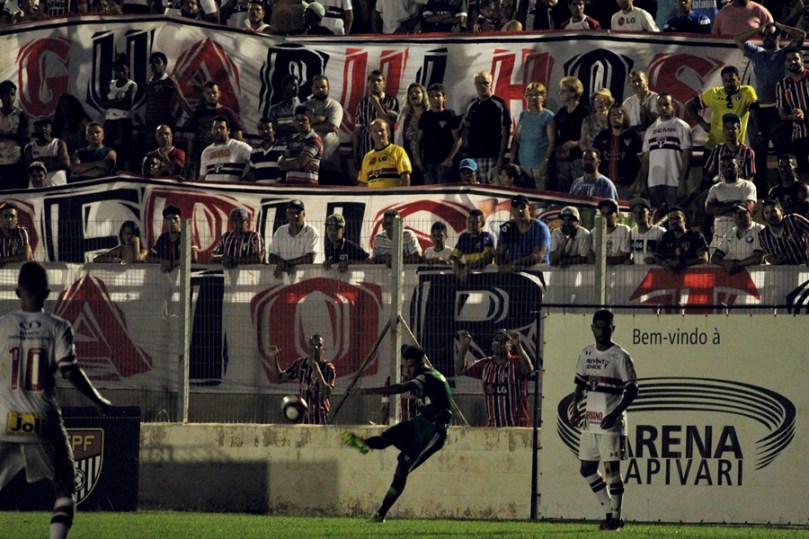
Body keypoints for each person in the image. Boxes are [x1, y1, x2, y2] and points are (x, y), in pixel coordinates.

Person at [0, 261, 112, 539]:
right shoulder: (57, 327)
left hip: (5, 420)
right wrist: (98, 400)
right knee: (65, 487)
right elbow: (70, 370)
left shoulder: (2, 326)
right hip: (42, 420)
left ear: (17, 292)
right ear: (48, 292)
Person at [341, 344, 452, 523]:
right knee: (389, 436)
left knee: (402, 469)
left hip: (434, 431)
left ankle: (380, 514)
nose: (406, 370)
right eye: (404, 367)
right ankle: (365, 445)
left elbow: (402, 387)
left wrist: (369, 391)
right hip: (422, 422)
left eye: (410, 367)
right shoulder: (430, 376)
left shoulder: (426, 376)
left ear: (420, 364)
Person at [570, 309, 638, 532]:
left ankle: (616, 519)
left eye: (606, 327)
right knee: (586, 469)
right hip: (590, 423)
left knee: (612, 471)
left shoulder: (620, 356)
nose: (601, 331)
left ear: (612, 328)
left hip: (611, 424)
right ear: (592, 328)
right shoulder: (586, 354)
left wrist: (616, 413)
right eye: (598, 327)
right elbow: (580, 385)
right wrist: (576, 408)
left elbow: (632, 390)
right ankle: (609, 512)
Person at [735, 22, 805, 193]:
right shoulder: (756, 53)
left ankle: (787, 190)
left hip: (779, 110)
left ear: (778, 37)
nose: (767, 38)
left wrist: (778, 25)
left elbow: (801, 35)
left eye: (771, 35)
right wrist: (760, 30)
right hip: (759, 110)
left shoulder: (784, 53)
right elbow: (737, 39)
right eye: (765, 36)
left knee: (784, 153)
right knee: (758, 155)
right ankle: (761, 195)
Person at [455, 329, 533, 427]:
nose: (500, 343)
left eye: (504, 341)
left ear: (510, 345)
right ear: (492, 344)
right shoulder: (485, 365)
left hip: (518, 427)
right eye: (496, 340)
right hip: (494, 427)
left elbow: (528, 370)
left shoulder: (516, 362)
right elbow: (459, 370)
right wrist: (464, 346)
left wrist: (518, 345)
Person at [632, 93, 693, 212]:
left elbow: (687, 157)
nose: (663, 108)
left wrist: (682, 182)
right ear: (656, 106)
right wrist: (643, 182)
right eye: (660, 104)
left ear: (673, 105)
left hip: (674, 182)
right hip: (653, 183)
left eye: (666, 104)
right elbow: (646, 160)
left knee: (676, 216)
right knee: (655, 219)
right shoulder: (651, 129)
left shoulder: (682, 126)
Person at [685, 65, 757, 153]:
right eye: (725, 81)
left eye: (732, 80)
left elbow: (755, 110)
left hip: (735, 147)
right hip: (713, 147)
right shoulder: (714, 93)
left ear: (739, 79)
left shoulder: (747, 91)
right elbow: (689, 105)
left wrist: (759, 131)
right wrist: (703, 124)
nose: (729, 83)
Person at [269, 334, 335, 424]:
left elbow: (326, 392)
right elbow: (279, 378)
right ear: (308, 347)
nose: (315, 347)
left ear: (323, 350)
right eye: (312, 344)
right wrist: (274, 358)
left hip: (319, 416)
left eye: (319, 345)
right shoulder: (300, 364)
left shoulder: (328, 367)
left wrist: (316, 369)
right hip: (303, 415)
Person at [460, 71, 512, 184]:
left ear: (491, 84)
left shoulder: (499, 104)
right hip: (473, 156)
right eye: (479, 83)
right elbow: (465, 127)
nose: (482, 86)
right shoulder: (471, 105)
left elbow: (506, 133)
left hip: (492, 156)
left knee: (492, 191)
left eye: (485, 83)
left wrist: (500, 159)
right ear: (475, 85)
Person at [187, 81, 244, 178]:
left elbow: (238, 136)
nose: (212, 96)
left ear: (219, 94)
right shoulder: (198, 113)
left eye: (214, 93)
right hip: (201, 156)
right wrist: (189, 159)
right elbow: (191, 138)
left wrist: (235, 156)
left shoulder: (228, 113)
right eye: (208, 93)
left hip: (223, 156)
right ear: (204, 94)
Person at [412, 83, 462, 185]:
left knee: (443, 193)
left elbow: (458, 140)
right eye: (432, 96)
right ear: (429, 98)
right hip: (428, 162)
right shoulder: (425, 116)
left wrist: (449, 159)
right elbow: (418, 140)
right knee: (430, 195)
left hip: (444, 162)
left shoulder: (450, 115)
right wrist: (418, 160)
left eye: (438, 95)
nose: (435, 98)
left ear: (444, 98)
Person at [592, 104, 643, 200]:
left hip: (626, 187)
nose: (616, 117)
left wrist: (635, 185)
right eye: (613, 115)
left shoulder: (634, 136)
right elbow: (593, 161)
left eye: (619, 114)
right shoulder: (602, 136)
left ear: (625, 116)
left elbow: (643, 163)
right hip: (605, 187)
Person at [353, 70, 399, 171]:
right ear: (368, 83)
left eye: (379, 80)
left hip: (386, 152)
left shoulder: (391, 101)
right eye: (372, 80)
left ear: (384, 83)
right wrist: (356, 156)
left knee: (384, 181)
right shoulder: (362, 103)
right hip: (366, 150)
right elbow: (357, 132)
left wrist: (377, 105)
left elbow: (391, 125)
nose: (376, 83)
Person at [512, 82, 555, 190]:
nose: (533, 98)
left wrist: (545, 162)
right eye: (530, 95)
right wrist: (512, 162)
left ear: (543, 97)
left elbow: (552, 142)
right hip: (523, 166)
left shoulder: (548, 116)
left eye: (537, 94)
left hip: (540, 167)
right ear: (526, 97)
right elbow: (516, 139)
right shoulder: (523, 115)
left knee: (541, 201)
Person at [704, 153, 757, 241]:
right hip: (720, 236)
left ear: (739, 167)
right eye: (724, 166)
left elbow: (747, 210)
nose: (728, 168)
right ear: (720, 169)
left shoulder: (748, 186)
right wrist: (736, 205)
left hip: (742, 235)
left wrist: (719, 208)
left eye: (731, 165)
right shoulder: (715, 188)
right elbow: (708, 209)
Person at [496, 194, 552, 272]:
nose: (520, 211)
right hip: (515, 275)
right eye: (516, 207)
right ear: (511, 211)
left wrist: (514, 263)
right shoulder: (507, 228)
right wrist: (503, 265)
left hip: (538, 274)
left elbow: (538, 257)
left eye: (522, 207)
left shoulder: (540, 228)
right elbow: (499, 256)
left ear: (529, 209)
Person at [304, 75, 344, 183]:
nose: (320, 90)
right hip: (308, 166)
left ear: (328, 88)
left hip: (329, 165)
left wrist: (309, 125)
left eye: (323, 87)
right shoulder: (304, 106)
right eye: (317, 87)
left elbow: (332, 127)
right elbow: (298, 126)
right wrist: (320, 120)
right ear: (312, 89)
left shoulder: (335, 106)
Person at [100, 56, 137, 172]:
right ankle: (110, 170)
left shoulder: (131, 85)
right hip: (109, 120)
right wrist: (120, 100)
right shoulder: (111, 84)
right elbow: (102, 103)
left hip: (123, 121)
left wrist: (110, 103)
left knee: (121, 147)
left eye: (123, 70)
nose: (121, 73)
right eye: (118, 70)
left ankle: (122, 170)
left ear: (128, 70)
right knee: (108, 146)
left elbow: (128, 106)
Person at [776, 48, 809, 175]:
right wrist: (792, 116)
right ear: (785, 64)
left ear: (802, 60)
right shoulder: (782, 85)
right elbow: (781, 113)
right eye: (789, 60)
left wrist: (804, 113)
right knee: (802, 173)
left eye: (795, 58)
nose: (793, 62)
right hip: (799, 135)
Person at [267, 199, 320, 278]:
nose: (295, 216)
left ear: (304, 214)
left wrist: (285, 264)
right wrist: (283, 264)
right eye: (291, 213)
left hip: (306, 278)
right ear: (287, 214)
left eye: (298, 213)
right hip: (284, 278)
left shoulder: (311, 232)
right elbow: (271, 257)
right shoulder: (280, 231)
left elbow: (310, 258)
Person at [554, 76, 590, 193]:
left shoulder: (584, 111)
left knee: (579, 190)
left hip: (578, 158)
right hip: (563, 159)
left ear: (574, 92)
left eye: (563, 91)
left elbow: (590, 136)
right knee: (563, 190)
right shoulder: (562, 112)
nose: (561, 93)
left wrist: (575, 143)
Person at [700, 112, 756, 186]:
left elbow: (749, 178)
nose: (730, 131)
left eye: (733, 128)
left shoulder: (748, 152)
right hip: (721, 191)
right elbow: (709, 174)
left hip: (740, 191)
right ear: (723, 130)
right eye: (727, 128)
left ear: (739, 130)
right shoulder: (718, 149)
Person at [710, 203, 764, 274]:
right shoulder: (730, 233)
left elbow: (757, 258)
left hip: (755, 277)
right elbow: (714, 258)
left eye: (742, 213)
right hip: (735, 279)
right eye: (735, 213)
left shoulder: (759, 229)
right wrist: (725, 263)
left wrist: (736, 264)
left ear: (750, 214)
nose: (738, 216)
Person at [358, 119, 412, 187]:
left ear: (388, 132)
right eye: (375, 131)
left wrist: (403, 196)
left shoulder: (398, 151)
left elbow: (405, 177)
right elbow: (363, 183)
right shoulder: (367, 157)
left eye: (381, 130)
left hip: (392, 196)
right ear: (370, 134)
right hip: (374, 197)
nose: (379, 133)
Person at [198, 115, 252, 182]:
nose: (218, 130)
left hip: (230, 191)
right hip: (210, 191)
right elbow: (202, 177)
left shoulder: (241, 147)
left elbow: (257, 160)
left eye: (221, 128)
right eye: (215, 128)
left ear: (228, 130)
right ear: (212, 131)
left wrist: (247, 178)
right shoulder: (206, 152)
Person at [652, 207, 708, 271]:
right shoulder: (666, 237)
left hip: (691, 277)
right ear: (668, 222)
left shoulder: (695, 236)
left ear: (684, 220)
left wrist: (682, 263)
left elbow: (704, 259)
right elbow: (657, 258)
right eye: (671, 219)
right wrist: (664, 263)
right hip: (669, 278)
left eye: (677, 218)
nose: (674, 221)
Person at [278, 106, 323, 186]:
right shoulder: (292, 139)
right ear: (293, 121)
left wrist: (289, 164)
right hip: (290, 186)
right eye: (297, 120)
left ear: (310, 120)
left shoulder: (314, 139)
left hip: (308, 188)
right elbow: (281, 165)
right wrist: (300, 164)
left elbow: (300, 163)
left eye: (303, 120)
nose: (300, 123)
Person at [758, 198, 809, 264]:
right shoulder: (763, 235)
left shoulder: (794, 220)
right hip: (784, 271)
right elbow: (768, 256)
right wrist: (774, 260)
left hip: (804, 268)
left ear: (781, 211)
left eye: (774, 211)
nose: (770, 215)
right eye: (767, 213)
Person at [0, 80, 30, 190]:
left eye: (12, 94)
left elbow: (27, 138)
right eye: (6, 94)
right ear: (1, 96)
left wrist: (9, 135)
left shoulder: (20, 114)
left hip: (15, 160)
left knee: (14, 190)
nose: (10, 97)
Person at [396, 83, 427, 186]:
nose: (414, 94)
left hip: (426, 158)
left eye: (417, 92)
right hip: (408, 158)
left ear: (423, 95)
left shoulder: (429, 112)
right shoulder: (404, 114)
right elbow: (398, 135)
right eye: (411, 93)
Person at [151, 205, 199, 273]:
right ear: (164, 222)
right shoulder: (163, 238)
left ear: (180, 220)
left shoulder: (186, 236)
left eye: (175, 218)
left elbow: (193, 258)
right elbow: (150, 256)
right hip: (165, 279)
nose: (172, 221)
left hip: (183, 276)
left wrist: (173, 264)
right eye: (168, 219)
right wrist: (163, 261)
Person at [23, 117, 69, 187]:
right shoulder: (30, 148)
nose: (43, 129)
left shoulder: (59, 143)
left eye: (46, 126)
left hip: (57, 186)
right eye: (39, 126)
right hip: (36, 188)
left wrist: (41, 165)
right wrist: (51, 164)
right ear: (35, 129)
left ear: (51, 128)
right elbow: (28, 167)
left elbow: (65, 164)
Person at [450, 209, 495, 280]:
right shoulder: (463, 237)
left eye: (475, 222)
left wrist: (468, 266)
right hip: (469, 276)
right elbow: (454, 257)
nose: (471, 225)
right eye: (469, 222)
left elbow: (488, 259)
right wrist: (458, 269)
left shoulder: (486, 236)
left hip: (485, 276)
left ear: (482, 223)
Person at [628, 197, 666, 264]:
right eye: (635, 212)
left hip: (655, 273)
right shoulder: (631, 232)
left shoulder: (660, 232)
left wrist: (654, 261)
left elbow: (668, 256)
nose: (638, 215)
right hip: (636, 273)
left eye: (642, 212)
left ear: (649, 214)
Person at [247, 118, 285, 183]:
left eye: (267, 128)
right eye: (261, 129)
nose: (265, 131)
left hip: (278, 190)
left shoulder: (284, 148)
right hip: (260, 191)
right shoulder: (255, 152)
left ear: (274, 130)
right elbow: (252, 173)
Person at [622, 69, 658, 134]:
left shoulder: (657, 99)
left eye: (639, 80)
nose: (637, 83)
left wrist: (641, 100)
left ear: (646, 81)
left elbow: (649, 125)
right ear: (631, 84)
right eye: (633, 81)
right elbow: (624, 127)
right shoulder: (627, 103)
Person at [597, 199, 632, 265]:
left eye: (609, 213)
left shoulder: (624, 230)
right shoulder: (595, 232)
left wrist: (602, 260)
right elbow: (592, 257)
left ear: (617, 216)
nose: (606, 216)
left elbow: (624, 257)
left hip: (619, 272)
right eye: (603, 213)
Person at [269, 75, 302, 142]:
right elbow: (272, 129)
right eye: (293, 85)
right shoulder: (274, 110)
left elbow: (300, 128)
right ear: (284, 87)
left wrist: (282, 127)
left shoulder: (300, 108)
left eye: (297, 86)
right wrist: (291, 128)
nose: (296, 88)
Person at [580, 88, 614, 152]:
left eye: (603, 100)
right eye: (597, 100)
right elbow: (582, 142)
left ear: (609, 102)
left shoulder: (613, 119)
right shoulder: (587, 120)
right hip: (592, 154)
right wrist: (588, 151)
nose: (600, 102)